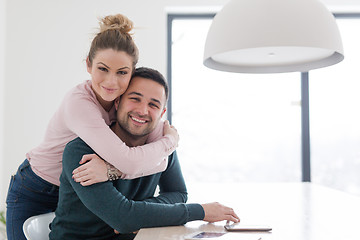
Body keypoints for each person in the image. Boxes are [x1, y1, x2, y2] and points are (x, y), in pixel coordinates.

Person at [6, 14, 179, 240]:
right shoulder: (79, 104)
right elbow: (133, 160)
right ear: (88, 64)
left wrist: (158, 154)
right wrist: (170, 142)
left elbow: (161, 161)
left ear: (132, 72)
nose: (111, 82)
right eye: (103, 69)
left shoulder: (130, 107)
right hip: (36, 189)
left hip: (77, 188)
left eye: (122, 72)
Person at [49, 67, 240, 240]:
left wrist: (139, 213)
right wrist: (200, 211)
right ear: (117, 102)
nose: (142, 111)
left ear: (162, 112)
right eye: (135, 99)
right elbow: (123, 219)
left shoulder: (162, 148)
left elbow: (178, 193)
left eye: (153, 105)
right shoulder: (80, 152)